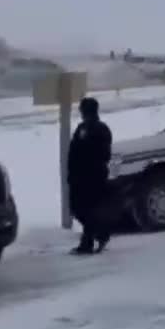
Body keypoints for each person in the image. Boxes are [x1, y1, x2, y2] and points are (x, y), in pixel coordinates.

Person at [68, 97, 114, 255]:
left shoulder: (100, 129)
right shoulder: (82, 128)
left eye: (82, 110)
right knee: (78, 208)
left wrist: (89, 163)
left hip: (93, 176)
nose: (81, 113)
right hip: (79, 177)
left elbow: (105, 154)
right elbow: (73, 152)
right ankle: (99, 234)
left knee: (88, 209)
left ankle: (90, 241)